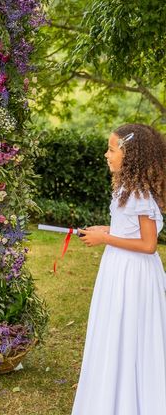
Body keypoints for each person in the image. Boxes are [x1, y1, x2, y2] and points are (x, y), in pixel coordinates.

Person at [72, 123, 166, 414]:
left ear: (130, 154)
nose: (106, 154)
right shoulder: (127, 188)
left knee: (130, 334)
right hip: (119, 268)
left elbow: (149, 244)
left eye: (112, 149)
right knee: (115, 331)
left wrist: (105, 238)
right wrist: (107, 229)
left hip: (134, 274)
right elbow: (129, 230)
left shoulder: (140, 194)